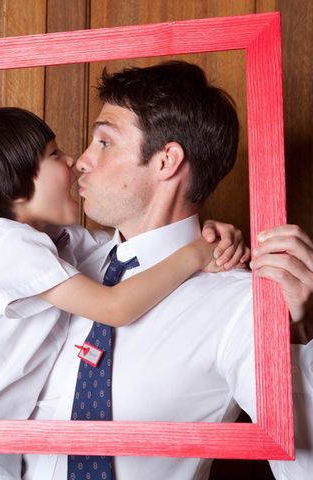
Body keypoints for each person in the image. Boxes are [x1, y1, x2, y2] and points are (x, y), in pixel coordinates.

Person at [0, 107, 248, 480]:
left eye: (102, 143)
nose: (74, 160)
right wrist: (196, 253)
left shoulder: (55, 243)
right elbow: (115, 307)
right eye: (54, 154)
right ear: (14, 188)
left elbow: (135, 250)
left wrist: (210, 235)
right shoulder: (4, 247)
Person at [23, 61, 313, 480]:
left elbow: (303, 466)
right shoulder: (57, 267)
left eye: (104, 142)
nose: (81, 162)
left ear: (166, 161)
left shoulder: (242, 305)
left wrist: (300, 339)